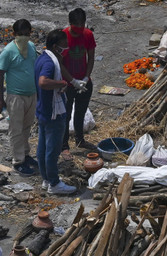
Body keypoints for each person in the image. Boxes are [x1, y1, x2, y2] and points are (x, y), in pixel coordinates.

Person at [34, 30, 76, 195]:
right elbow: (43, 82)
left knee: (42, 147)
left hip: (43, 109)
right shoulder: (50, 63)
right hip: (53, 112)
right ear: (55, 46)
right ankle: (54, 183)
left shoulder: (42, 58)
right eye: (64, 45)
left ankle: (46, 179)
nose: (66, 48)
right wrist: (61, 83)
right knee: (53, 149)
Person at [0, 19, 38, 177]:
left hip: (32, 94)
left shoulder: (32, 47)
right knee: (16, 129)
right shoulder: (8, 51)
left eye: (27, 34)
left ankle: (25, 155)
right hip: (15, 96)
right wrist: (0, 99)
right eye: (21, 34)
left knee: (27, 127)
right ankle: (18, 161)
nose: (24, 37)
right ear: (14, 35)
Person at [60, 8, 97, 159]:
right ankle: (64, 145)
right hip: (67, 83)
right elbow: (60, 64)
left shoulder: (88, 35)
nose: (79, 30)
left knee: (80, 112)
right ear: (70, 24)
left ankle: (80, 140)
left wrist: (86, 78)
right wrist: (72, 81)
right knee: (66, 114)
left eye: (82, 25)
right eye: (77, 27)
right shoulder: (63, 36)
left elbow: (91, 57)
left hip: (84, 81)